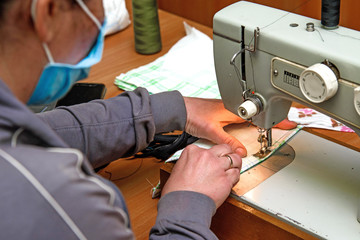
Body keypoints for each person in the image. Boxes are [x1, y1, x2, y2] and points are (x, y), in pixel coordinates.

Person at [0, 0, 296, 239]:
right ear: (49, 8)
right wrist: (185, 207)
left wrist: (167, 110)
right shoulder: (66, 204)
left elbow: (40, 132)